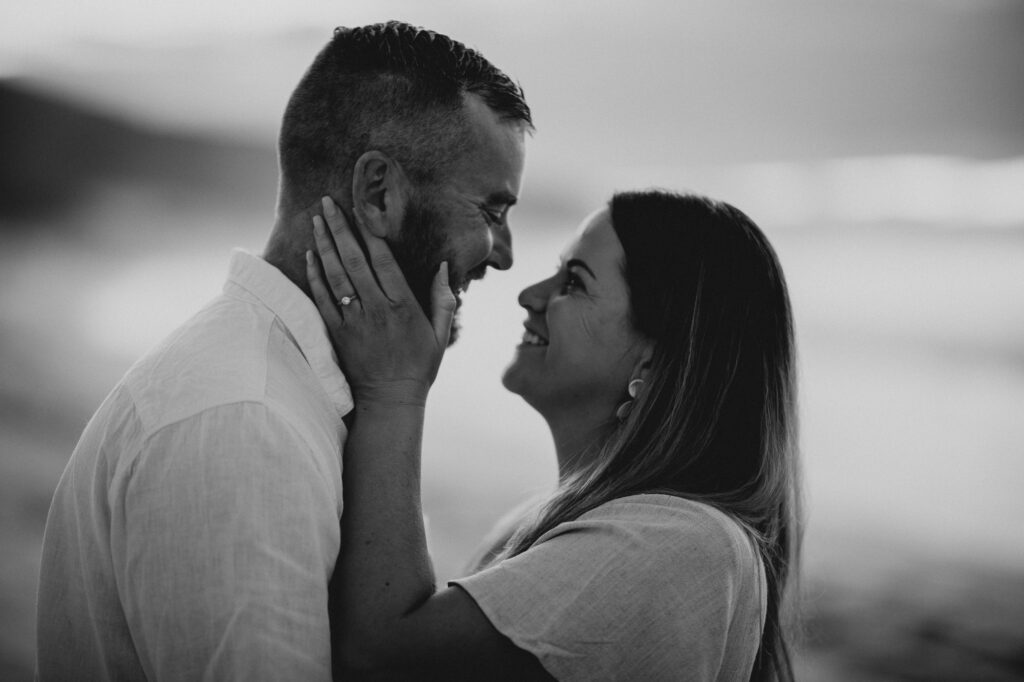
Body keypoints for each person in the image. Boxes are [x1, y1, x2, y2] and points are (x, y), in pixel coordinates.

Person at [35, 21, 530, 680]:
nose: (506, 255)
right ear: (379, 193)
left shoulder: (286, 388)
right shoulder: (245, 419)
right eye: (492, 212)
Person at [308, 189, 802, 680]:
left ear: (654, 360)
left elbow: (383, 653)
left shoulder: (683, 545)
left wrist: (394, 389)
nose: (531, 296)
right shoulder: (540, 523)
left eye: (574, 282)